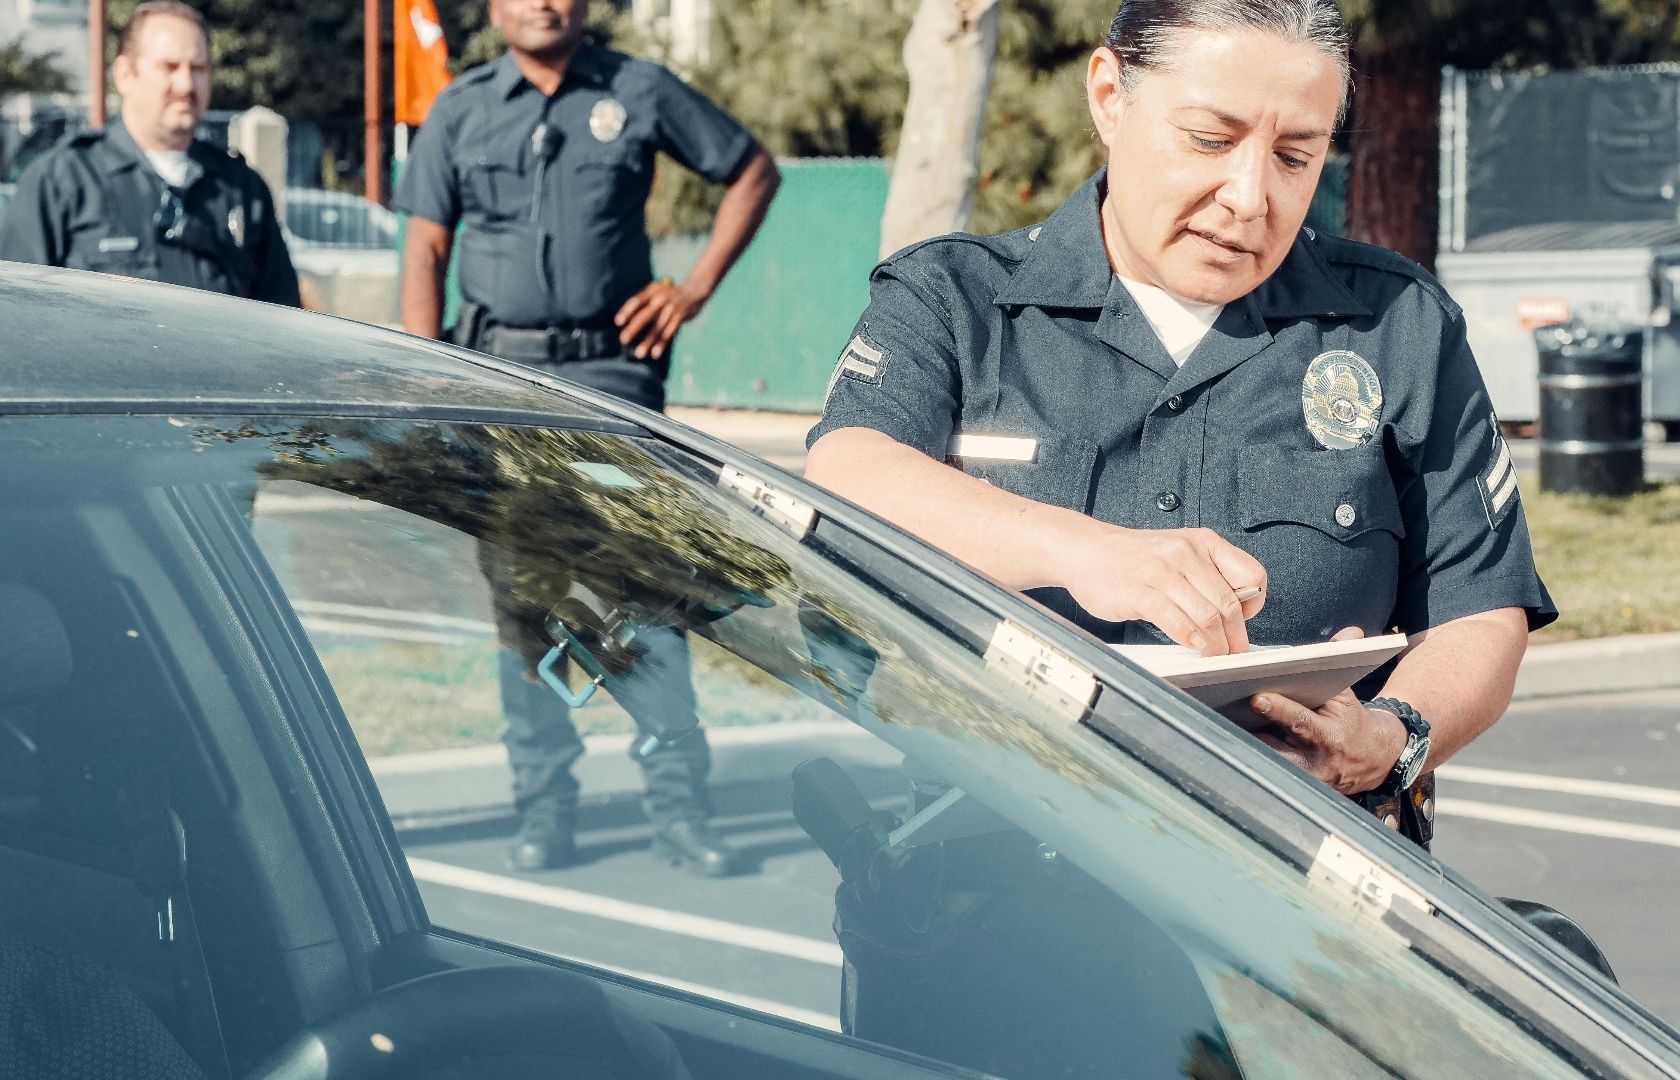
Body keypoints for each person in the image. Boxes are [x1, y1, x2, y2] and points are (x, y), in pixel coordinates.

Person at [806, 0, 1554, 837]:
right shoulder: (954, 300)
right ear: (1109, 96)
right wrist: (1084, 550)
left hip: (1306, 888)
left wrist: (1391, 738)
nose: (1249, 196)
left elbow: (1480, 609)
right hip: (991, 871)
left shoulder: (1398, 327)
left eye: (1295, 157)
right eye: (1209, 139)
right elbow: (850, 470)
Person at [396, 0, 780, 875]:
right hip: (498, 381)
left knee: (652, 593)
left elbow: (753, 170)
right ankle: (544, 808)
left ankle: (680, 808)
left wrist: (692, 289)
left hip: (613, 377)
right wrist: (430, 389)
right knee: (526, 606)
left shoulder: (638, 88)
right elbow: (423, 251)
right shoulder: (460, 107)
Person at [0, 1, 300, 306]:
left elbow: (281, 319)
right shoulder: (62, 182)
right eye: (169, 67)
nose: (185, 84)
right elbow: (20, 316)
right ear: (126, 74)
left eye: (198, 68)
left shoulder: (242, 190)